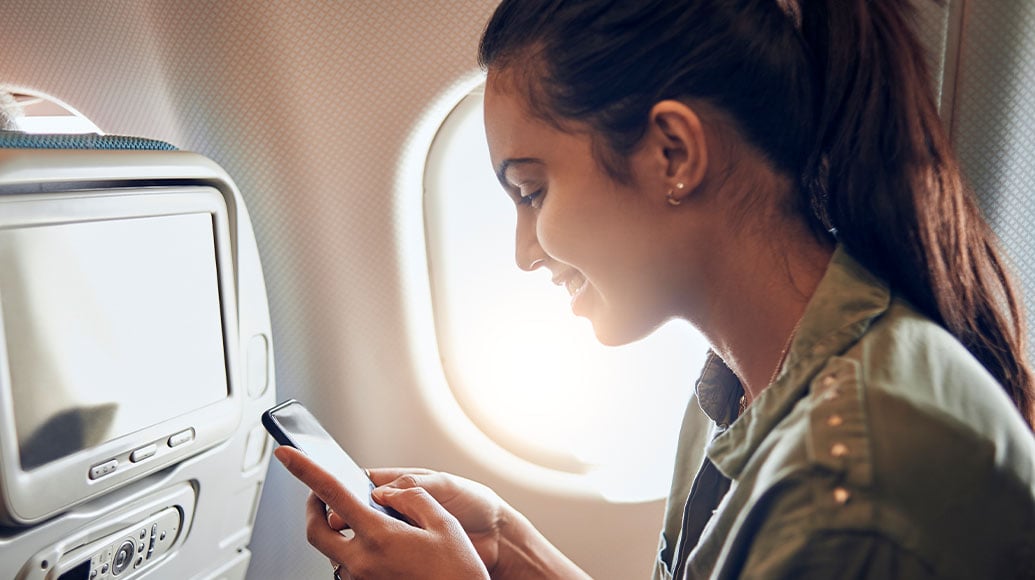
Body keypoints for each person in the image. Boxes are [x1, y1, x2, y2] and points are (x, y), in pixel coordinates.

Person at [275, 0, 1035, 577]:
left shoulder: (854, 493)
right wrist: (512, 549)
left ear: (672, 152)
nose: (521, 253)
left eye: (532, 191)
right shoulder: (735, 390)